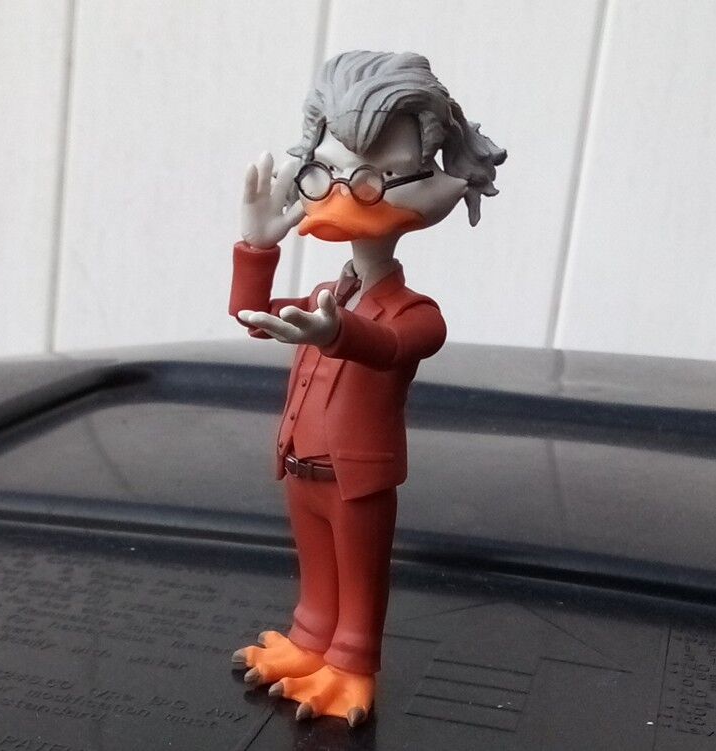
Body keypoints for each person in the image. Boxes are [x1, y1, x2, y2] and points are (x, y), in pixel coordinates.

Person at [229, 50, 505, 726]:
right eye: (328, 171)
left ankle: (351, 668)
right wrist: (257, 247)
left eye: (376, 177)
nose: (346, 192)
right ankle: (308, 644)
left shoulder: (416, 312)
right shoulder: (330, 292)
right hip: (300, 467)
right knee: (317, 573)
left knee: (358, 576)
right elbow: (252, 318)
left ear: (437, 183)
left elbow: (388, 347)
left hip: (357, 479)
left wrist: (336, 334)